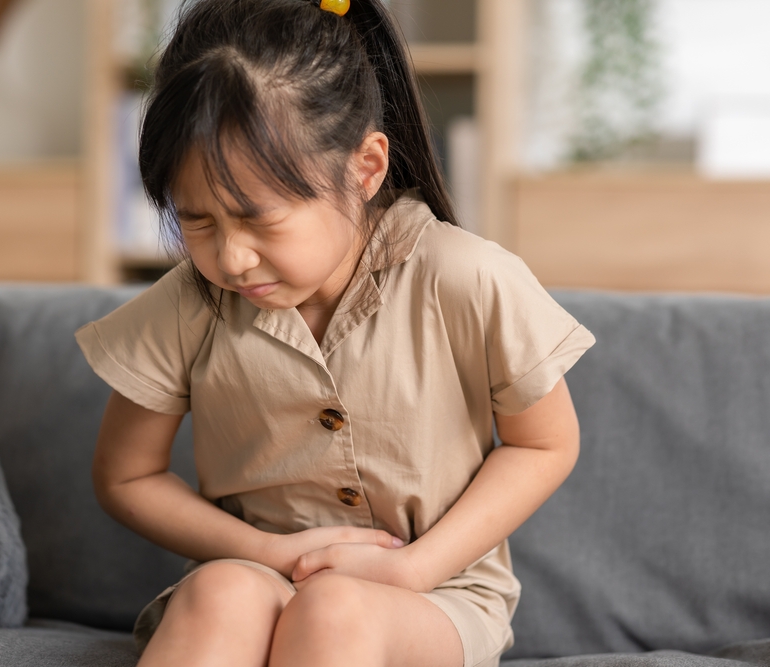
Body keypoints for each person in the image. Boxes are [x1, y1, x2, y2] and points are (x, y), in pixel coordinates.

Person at [75, 0, 596, 665]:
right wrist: (264, 551)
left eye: (258, 218)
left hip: (435, 590)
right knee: (218, 593)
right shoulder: (191, 305)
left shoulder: (466, 278)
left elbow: (545, 443)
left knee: (334, 610)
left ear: (366, 168)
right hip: (259, 572)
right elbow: (126, 474)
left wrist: (413, 568)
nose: (230, 258)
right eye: (197, 221)